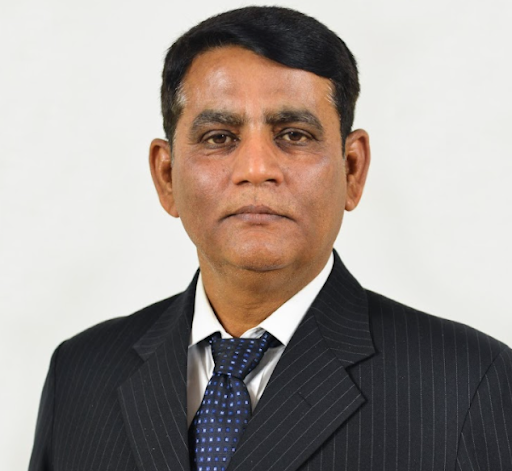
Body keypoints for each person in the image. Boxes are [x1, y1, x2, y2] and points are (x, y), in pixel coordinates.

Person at [29, 6, 512, 471]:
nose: (257, 169)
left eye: (294, 135)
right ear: (166, 175)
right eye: (219, 137)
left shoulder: (468, 383)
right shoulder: (81, 373)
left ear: (352, 169)